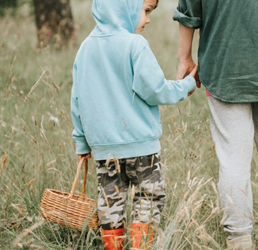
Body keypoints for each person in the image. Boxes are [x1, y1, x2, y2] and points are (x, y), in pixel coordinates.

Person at [173, 1, 258, 249]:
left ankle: (239, 240)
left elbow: (189, 10)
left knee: (233, 159)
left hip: (223, 67)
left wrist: (185, 58)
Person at [70, 0, 198, 249]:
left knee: (110, 205)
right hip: (143, 151)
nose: (148, 19)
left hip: (104, 152)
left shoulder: (85, 48)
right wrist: (186, 85)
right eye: (146, 10)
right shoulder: (134, 45)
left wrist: (81, 141)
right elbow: (156, 90)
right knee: (148, 201)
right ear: (124, 5)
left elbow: (77, 99)